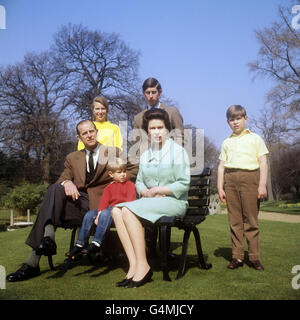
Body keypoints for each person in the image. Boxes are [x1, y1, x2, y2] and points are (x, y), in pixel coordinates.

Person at [6, 120, 137, 282]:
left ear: (96, 132)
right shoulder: (72, 157)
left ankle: (33, 261)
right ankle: (48, 238)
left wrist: (118, 178)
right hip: (80, 205)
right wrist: (67, 182)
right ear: (79, 137)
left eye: (91, 131)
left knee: (51, 208)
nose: (89, 135)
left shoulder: (113, 152)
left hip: (102, 207)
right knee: (55, 189)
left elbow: (134, 168)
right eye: (84, 133)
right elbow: (63, 178)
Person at [112, 108, 190, 288]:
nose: (156, 132)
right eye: (152, 128)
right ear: (147, 131)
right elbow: (139, 182)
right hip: (152, 201)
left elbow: (184, 183)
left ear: (168, 129)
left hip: (174, 202)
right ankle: (134, 266)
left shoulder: (177, 152)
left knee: (128, 210)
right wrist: (146, 192)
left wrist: (159, 189)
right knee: (117, 210)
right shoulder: (146, 154)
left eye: (159, 127)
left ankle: (144, 266)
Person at [133, 77, 185, 257]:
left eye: (154, 92)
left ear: (160, 92)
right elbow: (138, 143)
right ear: (143, 94)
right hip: (147, 166)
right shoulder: (139, 117)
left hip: (167, 166)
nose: (151, 96)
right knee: (147, 204)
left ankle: (164, 249)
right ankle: (149, 250)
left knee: (163, 203)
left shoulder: (172, 112)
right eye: (147, 93)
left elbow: (180, 138)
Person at [217, 105, 268, 271]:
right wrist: (220, 187)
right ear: (227, 122)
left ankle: (254, 257)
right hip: (230, 180)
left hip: (250, 179)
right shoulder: (226, 142)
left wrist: (261, 185)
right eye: (232, 120)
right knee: (235, 221)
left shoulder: (255, 139)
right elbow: (221, 167)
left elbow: (263, 162)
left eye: (238, 118)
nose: (235, 122)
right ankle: (237, 257)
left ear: (245, 119)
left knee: (251, 221)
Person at [68, 157, 136, 259]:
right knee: (89, 214)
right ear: (111, 174)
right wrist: (98, 214)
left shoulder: (129, 185)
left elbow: (130, 202)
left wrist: (104, 213)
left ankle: (96, 243)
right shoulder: (109, 187)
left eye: (124, 171)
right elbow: (104, 202)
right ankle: (80, 244)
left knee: (105, 213)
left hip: (121, 210)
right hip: (108, 209)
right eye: (119, 172)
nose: (123, 174)